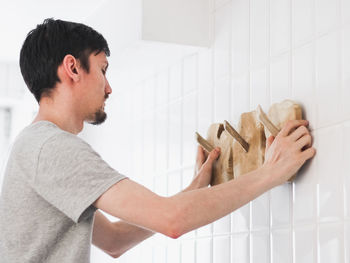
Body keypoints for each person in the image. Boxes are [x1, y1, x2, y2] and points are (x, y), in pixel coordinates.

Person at [0, 18, 316, 263]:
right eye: (103, 70)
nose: (108, 88)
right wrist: (272, 171)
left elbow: (115, 240)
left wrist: (193, 190)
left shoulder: (34, 147)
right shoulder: (51, 148)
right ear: (72, 67)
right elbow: (172, 221)